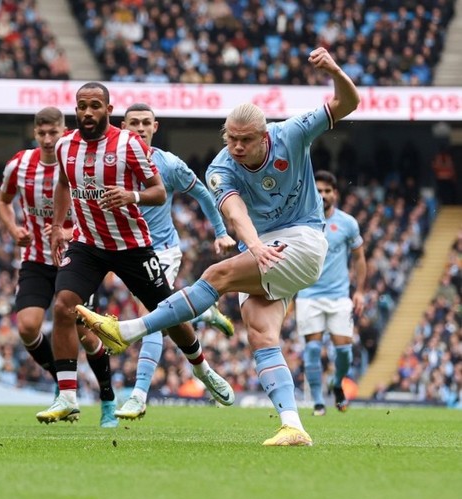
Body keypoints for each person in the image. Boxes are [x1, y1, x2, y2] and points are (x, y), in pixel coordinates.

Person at [77, 47, 361, 446]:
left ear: (265, 136)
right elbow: (233, 210)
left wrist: (334, 70)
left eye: (246, 140)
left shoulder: (292, 133)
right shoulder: (220, 167)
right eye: (231, 139)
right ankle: (293, 424)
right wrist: (254, 245)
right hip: (268, 250)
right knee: (261, 334)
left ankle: (128, 330)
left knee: (217, 274)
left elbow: (348, 102)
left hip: (305, 240)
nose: (237, 147)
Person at [37, 82, 233, 423]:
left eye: (95, 105)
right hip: (89, 245)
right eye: (82, 105)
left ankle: (202, 368)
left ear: (108, 111)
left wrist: (133, 197)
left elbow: (158, 192)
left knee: (167, 313)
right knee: (64, 305)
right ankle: (67, 395)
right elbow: (64, 185)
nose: (87, 112)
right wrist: (57, 226)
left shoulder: (128, 145)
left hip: (133, 247)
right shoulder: (66, 145)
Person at [115, 103, 238, 420]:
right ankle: (200, 313)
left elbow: (202, 193)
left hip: (162, 250)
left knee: (153, 316)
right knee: (168, 319)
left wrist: (221, 232)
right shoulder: (110, 164)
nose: (140, 128)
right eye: (134, 123)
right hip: (125, 253)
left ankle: (139, 395)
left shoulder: (167, 164)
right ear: (122, 127)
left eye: (146, 123)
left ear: (155, 127)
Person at [0, 106, 118, 427]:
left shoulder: (77, 161)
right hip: (36, 260)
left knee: (86, 335)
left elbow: (93, 207)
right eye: (43, 133)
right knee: (26, 327)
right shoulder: (19, 165)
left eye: (55, 132)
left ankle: (107, 397)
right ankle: (63, 383)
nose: (49, 139)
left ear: (65, 130)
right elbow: (2, 201)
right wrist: (14, 230)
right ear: (35, 133)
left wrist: (67, 231)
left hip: (75, 257)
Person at [296, 170, 367, 416]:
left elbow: (359, 258)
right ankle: (317, 401)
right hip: (308, 295)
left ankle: (337, 384)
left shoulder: (347, 223)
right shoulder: (301, 221)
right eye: (318, 190)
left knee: (344, 352)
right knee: (313, 349)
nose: (323, 195)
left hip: (339, 297)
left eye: (327, 191)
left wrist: (359, 291)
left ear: (335, 194)